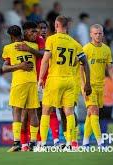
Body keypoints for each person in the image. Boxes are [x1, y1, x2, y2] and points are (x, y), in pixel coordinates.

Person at [38, 15, 92, 149]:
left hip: (55, 79)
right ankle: (70, 142)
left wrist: (40, 78)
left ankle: (43, 144)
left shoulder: (51, 39)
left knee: (46, 110)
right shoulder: (75, 44)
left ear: (56, 25)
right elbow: (85, 63)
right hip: (70, 81)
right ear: (67, 26)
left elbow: (45, 60)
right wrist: (88, 83)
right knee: (69, 112)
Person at [2, 24, 40, 152]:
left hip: (19, 82)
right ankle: (33, 142)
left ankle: (17, 142)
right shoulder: (33, 46)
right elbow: (42, 55)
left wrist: (19, 66)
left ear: (11, 36)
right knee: (32, 112)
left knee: (17, 111)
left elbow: (4, 68)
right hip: (32, 81)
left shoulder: (8, 48)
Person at [82, 24, 113, 147]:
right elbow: (80, 70)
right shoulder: (86, 49)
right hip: (89, 86)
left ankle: (85, 142)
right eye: (95, 33)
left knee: (90, 114)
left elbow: (110, 67)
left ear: (103, 34)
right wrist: (83, 86)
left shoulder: (106, 49)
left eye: (100, 33)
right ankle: (100, 142)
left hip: (100, 86)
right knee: (94, 111)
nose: (98, 35)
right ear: (91, 34)